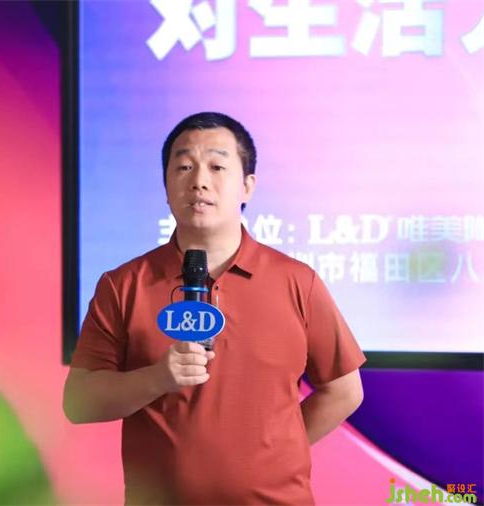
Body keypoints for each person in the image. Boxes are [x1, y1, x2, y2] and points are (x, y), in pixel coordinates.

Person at [63, 112, 365, 505]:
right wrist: (158, 378)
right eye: (184, 167)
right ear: (166, 186)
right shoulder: (122, 285)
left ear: (248, 186)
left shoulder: (297, 281)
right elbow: (79, 401)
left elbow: (344, 391)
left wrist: (276, 455)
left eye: (217, 167)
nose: (199, 181)